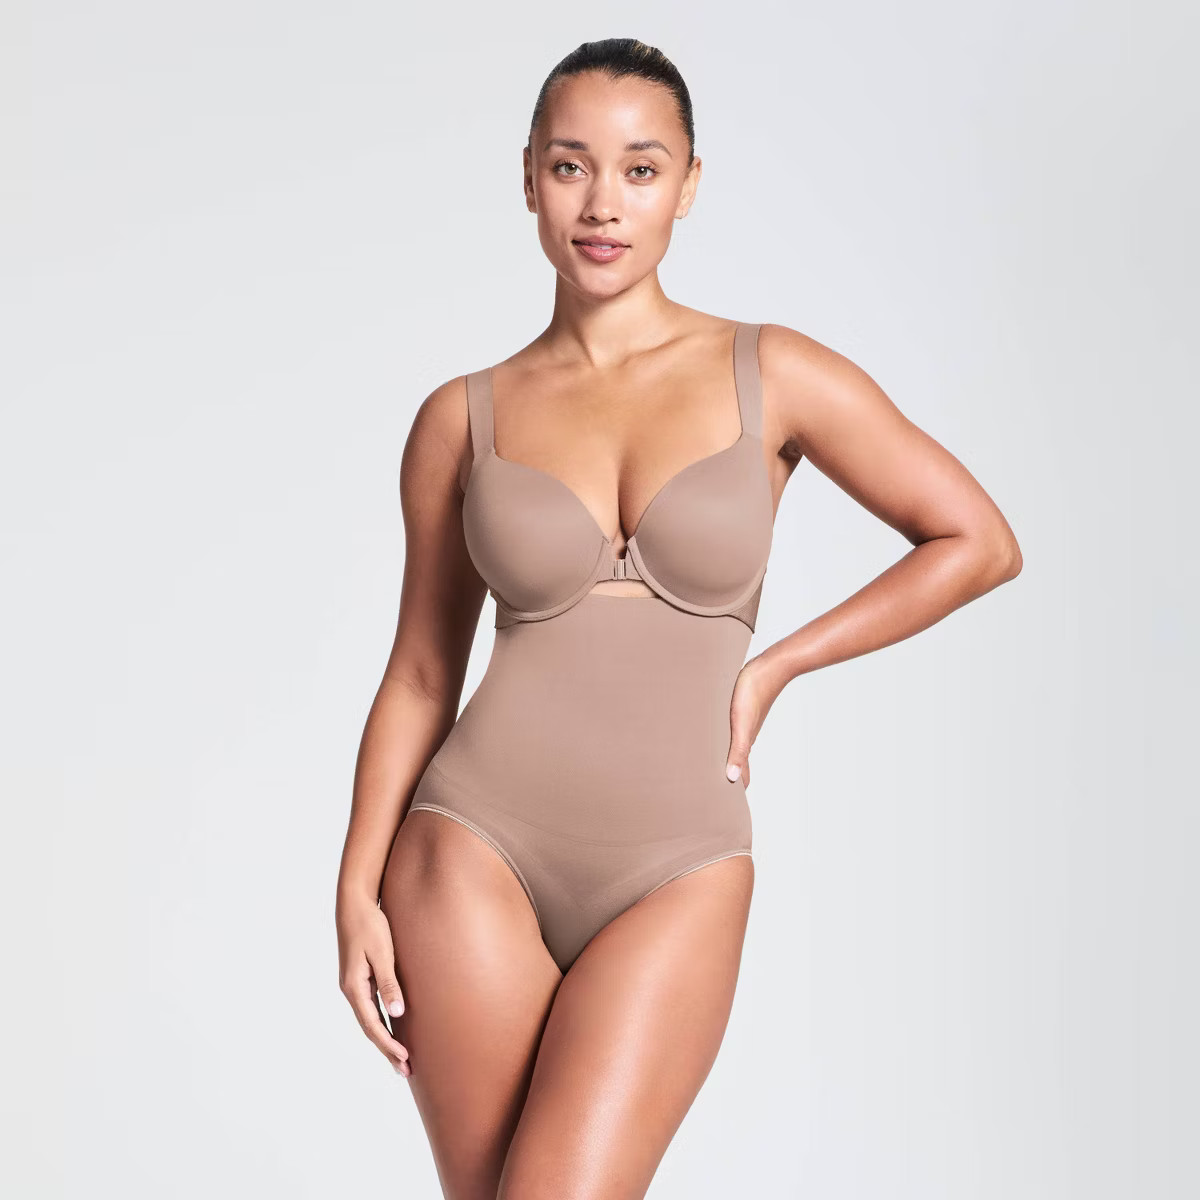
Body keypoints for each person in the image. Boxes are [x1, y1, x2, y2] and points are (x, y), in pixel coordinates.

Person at [335, 36, 1022, 1200]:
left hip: (678, 864)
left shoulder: (774, 373)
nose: (603, 203)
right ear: (528, 178)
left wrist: (775, 668)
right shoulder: (461, 417)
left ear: (689, 185)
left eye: (641, 169)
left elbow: (977, 542)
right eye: (570, 166)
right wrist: (355, 886)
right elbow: (419, 673)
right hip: (468, 853)